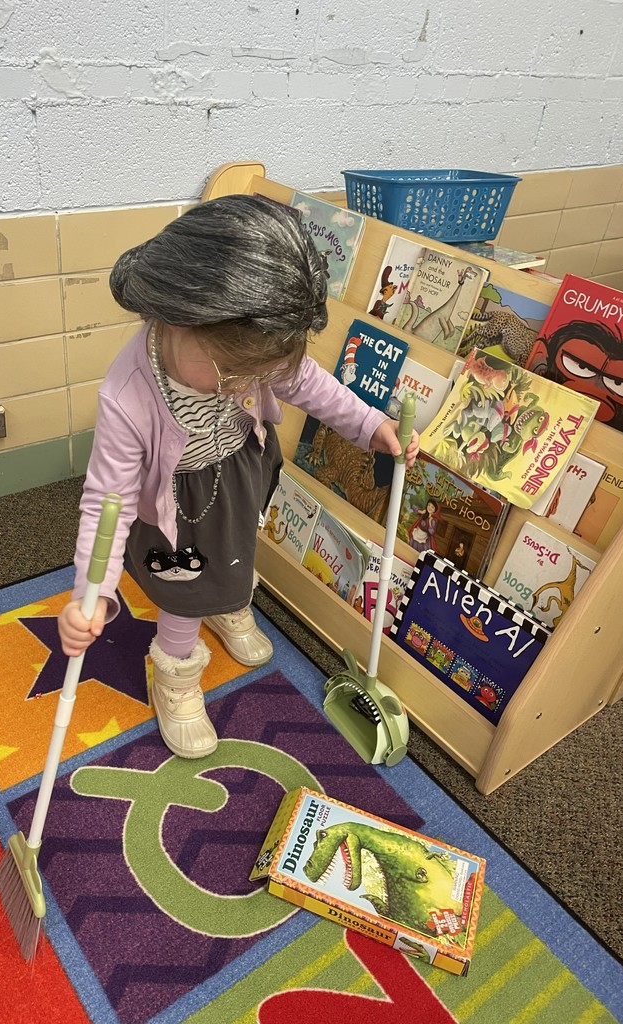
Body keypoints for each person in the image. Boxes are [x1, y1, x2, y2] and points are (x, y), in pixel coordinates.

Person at [58, 194, 420, 760]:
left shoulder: (254, 348)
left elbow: (309, 385)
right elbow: (108, 502)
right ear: (178, 321)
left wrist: (370, 426)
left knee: (236, 547)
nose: (244, 385)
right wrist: (93, 592)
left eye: (259, 374)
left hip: (239, 467)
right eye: (232, 373)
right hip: (177, 503)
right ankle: (175, 677)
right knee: (187, 585)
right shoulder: (127, 396)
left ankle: (229, 604)